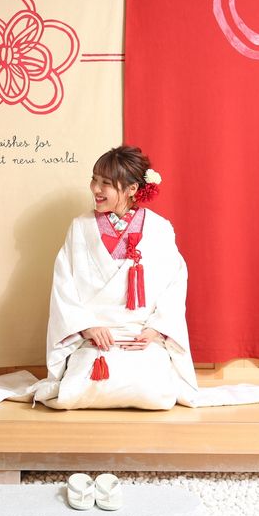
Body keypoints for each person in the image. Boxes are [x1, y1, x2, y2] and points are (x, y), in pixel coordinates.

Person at [33, 145, 199, 410]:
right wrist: (87, 327)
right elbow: (64, 284)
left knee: (156, 394)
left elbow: (175, 284)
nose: (96, 189)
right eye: (94, 180)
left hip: (142, 337)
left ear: (132, 189)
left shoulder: (159, 229)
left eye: (106, 184)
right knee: (74, 391)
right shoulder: (81, 226)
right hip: (95, 338)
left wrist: (155, 329)